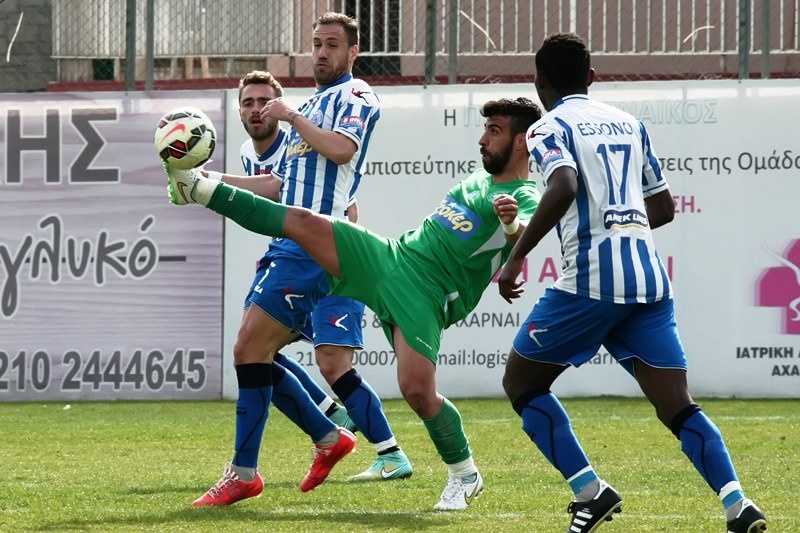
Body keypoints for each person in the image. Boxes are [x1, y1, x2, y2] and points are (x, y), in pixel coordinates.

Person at [163, 96, 543, 510]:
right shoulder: (478, 179)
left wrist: (511, 229)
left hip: (425, 295)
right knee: (304, 223)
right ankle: (198, 188)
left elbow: (522, 231)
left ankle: (464, 474)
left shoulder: (525, 193)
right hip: (394, 257)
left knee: (418, 392)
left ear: (521, 142)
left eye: (495, 131)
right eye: (485, 129)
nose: (483, 140)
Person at [496, 33, 767, 533]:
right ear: (591, 78)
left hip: (590, 282)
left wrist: (516, 258)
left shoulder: (546, 127)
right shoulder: (629, 123)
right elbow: (662, 208)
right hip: (648, 279)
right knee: (677, 404)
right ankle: (737, 504)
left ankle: (590, 492)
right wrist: (619, 218)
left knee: (520, 382)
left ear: (540, 81)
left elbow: (564, 185)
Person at [191, 14, 411, 508]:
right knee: (254, 351)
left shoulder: (355, 97)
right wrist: (207, 183)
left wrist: (291, 117)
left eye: (332, 45)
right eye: (315, 44)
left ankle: (248, 471)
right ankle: (328, 439)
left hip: (316, 243)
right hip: (288, 240)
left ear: (353, 53)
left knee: (255, 350)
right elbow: (276, 187)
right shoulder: (309, 104)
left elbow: (341, 149)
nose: (321, 53)